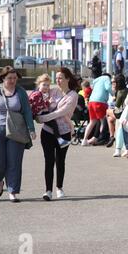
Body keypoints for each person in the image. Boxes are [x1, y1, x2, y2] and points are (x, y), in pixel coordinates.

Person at [0, 66, 36, 203]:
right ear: (3, 78)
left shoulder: (20, 92)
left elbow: (27, 111)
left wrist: (31, 129)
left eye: (15, 78)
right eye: (9, 78)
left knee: (14, 162)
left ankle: (13, 191)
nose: (12, 81)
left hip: (16, 131)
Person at [37, 68, 79, 201]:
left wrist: (43, 118)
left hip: (64, 132)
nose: (58, 80)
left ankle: (59, 187)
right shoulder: (53, 90)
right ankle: (48, 190)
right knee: (49, 161)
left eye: (61, 78)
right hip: (48, 131)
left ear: (68, 79)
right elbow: (41, 99)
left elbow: (61, 112)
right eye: (57, 77)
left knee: (60, 161)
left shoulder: (73, 95)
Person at [29, 74, 70, 148]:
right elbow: (38, 105)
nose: (46, 87)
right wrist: (48, 103)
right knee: (54, 124)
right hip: (40, 113)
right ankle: (60, 140)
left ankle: (59, 139)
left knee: (53, 124)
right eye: (44, 85)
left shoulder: (39, 93)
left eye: (48, 85)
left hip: (39, 113)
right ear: (39, 85)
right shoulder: (37, 94)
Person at [81, 72, 112, 146]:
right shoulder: (106, 78)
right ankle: (101, 138)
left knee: (92, 122)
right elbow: (108, 88)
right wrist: (114, 93)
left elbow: (92, 87)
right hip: (100, 102)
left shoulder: (97, 80)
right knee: (102, 121)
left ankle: (84, 140)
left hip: (91, 101)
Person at [106, 74, 128, 149]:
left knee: (107, 111)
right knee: (110, 119)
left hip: (121, 113)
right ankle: (111, 136)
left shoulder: (120, 92)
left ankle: (111, 136)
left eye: (113, 82)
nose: (112, 83)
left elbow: (117, 108)